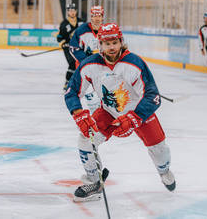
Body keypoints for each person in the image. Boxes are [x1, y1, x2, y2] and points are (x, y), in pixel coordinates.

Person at [65, 23, 176, 202]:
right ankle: (94, 182)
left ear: (121, 42)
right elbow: (72, 91)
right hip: (109, 111)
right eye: (107, 43)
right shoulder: (89, 64)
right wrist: (78, 113)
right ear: (99, 44)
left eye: (115, 42)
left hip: (138, 112)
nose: (111, 47)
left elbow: (153, 96)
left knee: (159, 148)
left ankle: (164, 171)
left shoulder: (134, 63)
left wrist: (133, 118)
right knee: (86, 139)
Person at [69, 5, 104, 114]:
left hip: (103, 69)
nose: (96, 18)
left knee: (104, 96)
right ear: (91, 17)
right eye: (94, 16)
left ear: (103, 17)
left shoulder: (107, 30)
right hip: (84, 69)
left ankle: (102, 121)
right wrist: (87, 61)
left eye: (99, 16)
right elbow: (73, 48)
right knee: (90, 97)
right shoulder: (82, 30)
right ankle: (92, 123)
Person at [56, 3, 84, 90]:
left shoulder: (81, 22)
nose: (72, 12)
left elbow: (85, 34)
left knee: (80, 64)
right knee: (72, 63)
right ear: (67, 12)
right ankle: (67, 82)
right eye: (70, 10)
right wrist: (63, 43)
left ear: (76, 11)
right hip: (68, 48)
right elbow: (59, 37)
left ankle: (77, 81)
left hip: (79, 48)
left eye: (73, 10)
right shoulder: (64, 24)